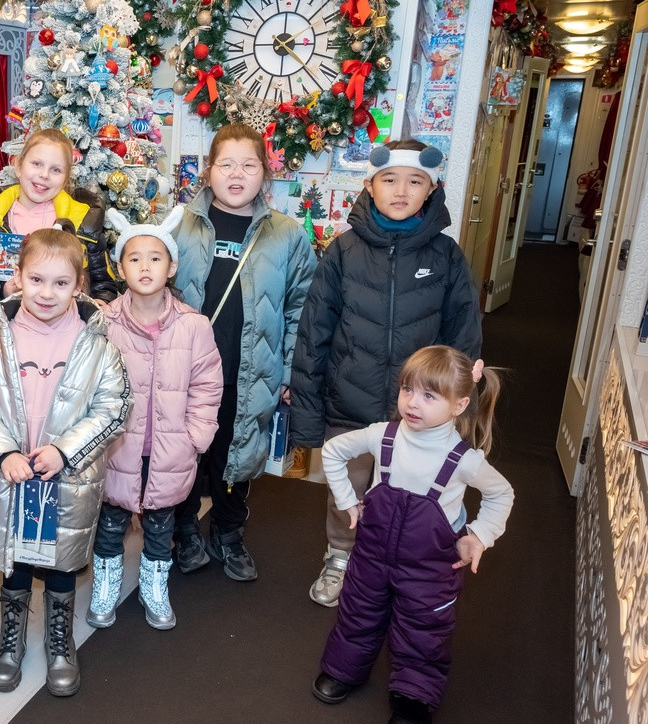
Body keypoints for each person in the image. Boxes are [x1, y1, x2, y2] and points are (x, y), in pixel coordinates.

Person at [290, 140, 482, 609]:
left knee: (411, 496)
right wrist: (308, 415)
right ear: (369, 185)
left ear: (431, 188)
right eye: (389, 180)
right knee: (349, 489)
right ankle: (340, 557)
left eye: (414, 181)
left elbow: (463, 334)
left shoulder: (446, 257)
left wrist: (456, 405)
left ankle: (397, 569)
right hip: (350, 400)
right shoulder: (343, 252)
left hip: (420, 410)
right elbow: (314, 332)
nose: (401, 190)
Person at [312, 346, 512, 724]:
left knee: (423, 631)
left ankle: (413, 702)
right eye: (407, 390)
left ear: (459, 404)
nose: (412, 403)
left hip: (430, 567)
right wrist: (349, 501)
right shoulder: (381, 435)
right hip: (372, 552)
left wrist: (478, 535)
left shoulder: (464, 460)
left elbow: (502, 494)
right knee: (359, 610)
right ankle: (344, 670)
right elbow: (332, 452)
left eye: (428, 396)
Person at [0, 228, 130, 697]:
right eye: (36, 279)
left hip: (70, 476)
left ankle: (60, 637)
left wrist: (65, 451)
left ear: (79, 285)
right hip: (12, 473)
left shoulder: (98, 343)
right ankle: (12, 633)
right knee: (14, 556)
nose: (46, 292)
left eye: (61, 283)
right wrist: (3, 452)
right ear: (17, 277)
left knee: (62, 558)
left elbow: (115, 405)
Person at [170, 124, 316, 580]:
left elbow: (301, 306)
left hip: (250, 369)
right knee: (187, 454)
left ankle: (228, 534)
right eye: (226, 164)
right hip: (188, 373)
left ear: (264, 174)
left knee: (237, 454)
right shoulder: (178, 224)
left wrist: (289, 368)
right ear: (209, 170)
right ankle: (185, 531)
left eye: (249, 165)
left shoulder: (287, 235)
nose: (237, 174)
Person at [90, 207, 223, 631]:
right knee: (109, 525)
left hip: (170, 451)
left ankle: (153, 585)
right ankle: (106, 585)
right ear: (119, 265)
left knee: (160, 528)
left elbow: (207, 386)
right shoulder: (104, 324)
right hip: (117, 449)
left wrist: (195, 438)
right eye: (134, 258)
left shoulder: (194, 326)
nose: (144, 267)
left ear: (172, 266)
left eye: (155, 257)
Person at [0, 128, 119, 303]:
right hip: (7, 323)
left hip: (65, 323)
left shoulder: (82, 221)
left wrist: (100, 303)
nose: (44, 175)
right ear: (18, 166)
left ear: (66, 178)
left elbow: (103, 284)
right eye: (36, 164)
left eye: (56, 170)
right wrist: (3, 291)